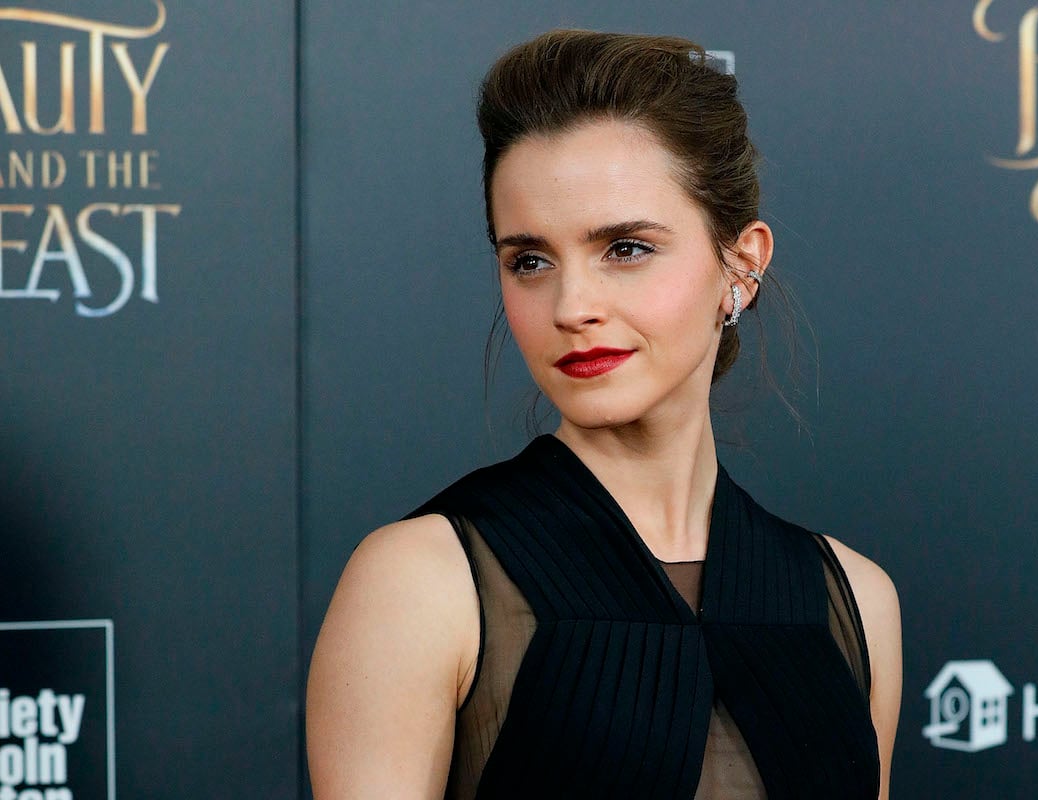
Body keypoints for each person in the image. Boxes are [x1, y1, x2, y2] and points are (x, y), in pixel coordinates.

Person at [307, 29, 901, 800]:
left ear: (742, 265)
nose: (571, 306)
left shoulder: (851, 600)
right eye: (530, 261)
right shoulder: (421, 585)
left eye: (625, 248)